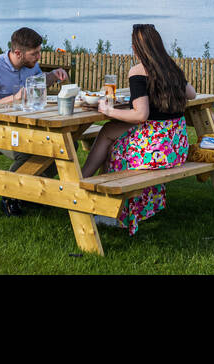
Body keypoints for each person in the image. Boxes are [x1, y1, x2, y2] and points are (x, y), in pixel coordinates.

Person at [81, 23, 196, 235]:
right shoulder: (170, 67)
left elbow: (140, 115)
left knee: (110, 139)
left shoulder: (138, 72)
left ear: (136, 48)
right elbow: (192, 94)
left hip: (156, 149)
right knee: (111, 134)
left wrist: (108, 110)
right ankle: (96, 197)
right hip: (176, 148)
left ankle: (82, 185)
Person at [0, 27, 69, 216]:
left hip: (25, 125)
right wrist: (14, 98)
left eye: (39, 52)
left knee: (65, 146)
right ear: (18, 53)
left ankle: (28, 193)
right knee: (29, 153)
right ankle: (10, 195)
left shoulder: (31, 66)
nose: (39, 57)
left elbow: (36, 85)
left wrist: (53, 76)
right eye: (35, 53)